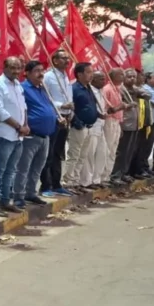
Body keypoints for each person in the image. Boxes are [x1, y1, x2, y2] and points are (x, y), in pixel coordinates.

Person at [12, 61, 56, 208]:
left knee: (37, 167)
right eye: (37, 71)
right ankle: (18, 195)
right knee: (23, 168)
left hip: (45, 136)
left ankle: (31, 193)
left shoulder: (42, 88)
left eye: (42, 70)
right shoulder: (22, 88)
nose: (41, 74)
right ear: (27, 73)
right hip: (31, 135)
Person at [0, 57, 27, 215]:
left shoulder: (18, 85)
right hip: (4, 134)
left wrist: (25, 125)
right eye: (13, 67)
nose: (16, 71)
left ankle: (5, 201)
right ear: (4, 67)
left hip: (18, 136)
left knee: (11, 171)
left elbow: (23, 107)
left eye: (18, 68)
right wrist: (18, 126)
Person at [40, 49, 74, 197]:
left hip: (65, 118)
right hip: (54, 117)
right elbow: (45, 97)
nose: (67, 60)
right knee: (49, 153)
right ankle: (45, 185)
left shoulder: (66, 76)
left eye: (68, 58)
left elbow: (69, 96)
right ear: (55, 60)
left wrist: (70, 112)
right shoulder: (48, 77)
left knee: (59, 153)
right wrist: (61, 106)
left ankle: (56, 183)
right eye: (63, 58)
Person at [63, 62, 98, 191]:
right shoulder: (74, 88)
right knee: (74, 154)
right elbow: (70, 107)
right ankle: (68, 181)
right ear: (79, 74)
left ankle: (76, 180)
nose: (91, 75)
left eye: (92, 72)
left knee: (83, 155)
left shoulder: (88, 88)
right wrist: (77, 122)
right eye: (88, 72)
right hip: (79, 127)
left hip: (90, 126)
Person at [111, 69, 141, 183]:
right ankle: (116, 175)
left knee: (129, 151)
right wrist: (128, 105)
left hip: (134, 124)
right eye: (129, 76)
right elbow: (118, 106)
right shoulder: (121, 89)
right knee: (121, 151)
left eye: (134, 77)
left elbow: (146, 94)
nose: (132, 79)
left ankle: (124, 172)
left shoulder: (134, 90)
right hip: (125, 123)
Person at [80, 71, 108, 189]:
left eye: (104, 79)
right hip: (92, 126)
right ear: (94, 80)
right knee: (89, 155)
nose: (104, 81)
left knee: (103, 153)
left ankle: (97, 179)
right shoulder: (90, 91)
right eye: (101, 79)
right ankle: (86, 181)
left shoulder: (101, 92)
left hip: (101, 126)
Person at [102, 68, 129, 185]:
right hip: (109, 121)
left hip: (117, 122)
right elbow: (106, 109)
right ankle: (102, 177)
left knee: (113, 150)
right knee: (106, 149)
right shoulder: (107, 89)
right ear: (112, 77)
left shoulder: (118, 89)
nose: (123, 77)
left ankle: (108, 176)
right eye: (120, 75)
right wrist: (120, 107)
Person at [135, 72, 154, 175]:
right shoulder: (145, 89)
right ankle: (141, 167)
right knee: (144, 145)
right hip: (147, 121)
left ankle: (145, 167)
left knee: (150, 145)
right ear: (147, 79)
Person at [129, 71, 154, 179]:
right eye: (140, 76)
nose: (142, 78)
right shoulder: (134, 89)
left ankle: (141, 169)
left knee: (144, 148)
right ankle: (133, 170)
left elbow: (149, 95)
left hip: (146, 122)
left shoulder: (142, 88)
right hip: (137, 122)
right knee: (134, 148)